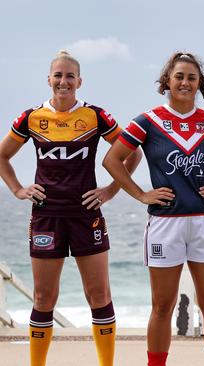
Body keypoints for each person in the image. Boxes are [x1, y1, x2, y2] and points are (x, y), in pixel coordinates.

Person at [0, 50, 141, 366]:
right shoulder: (31, 118)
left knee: (99, 297)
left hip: (85, 215)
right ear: (49, 80)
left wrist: (110, 190)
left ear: (79, 81)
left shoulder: (95, 116)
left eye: (70, 76)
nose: (63, 82)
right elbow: (2, 156)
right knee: (43, 299)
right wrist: (18, 189)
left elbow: (132, 154)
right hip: (46, 217)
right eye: (58, 75)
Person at [102, 52, 204, 366]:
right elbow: (111, 160)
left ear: (199, 83)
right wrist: (140, 194)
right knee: (163, 306)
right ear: (167, 81)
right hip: (165, 224)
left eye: (192, 77)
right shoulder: (148, 121)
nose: (185, 83)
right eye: (179, 77)